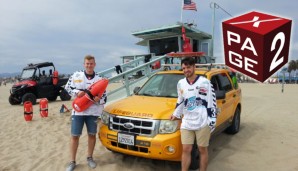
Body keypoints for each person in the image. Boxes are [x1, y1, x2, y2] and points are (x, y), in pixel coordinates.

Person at [170, 57, 217, 171]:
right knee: (186, 149)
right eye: (184, 68)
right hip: (187, 122)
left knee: (202, 149)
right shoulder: (180, 83)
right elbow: (180, 100)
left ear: (194, 67)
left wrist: (212, 120)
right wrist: (176, 114)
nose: (186, 70)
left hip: (202, 121)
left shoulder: (205, 82)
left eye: (188, 67)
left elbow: (212, 102)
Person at [65, 55, 107, 171]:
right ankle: (72, 161)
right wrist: (77, 92)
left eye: (91, 63)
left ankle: (90, 158)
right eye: (87, 64)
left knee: (92, 135)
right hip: (78, 111)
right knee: (74, 136)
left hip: (93, 112)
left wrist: (100, 99)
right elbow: (67, 88)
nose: (89, 65)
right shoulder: (76, 75)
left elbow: (104, 96)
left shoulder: (99, 79)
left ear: (95, 64)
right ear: (84, 64)